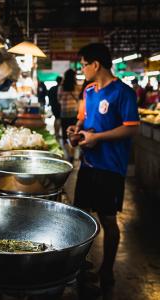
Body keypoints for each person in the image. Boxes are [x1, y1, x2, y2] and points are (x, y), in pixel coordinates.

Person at [67, 43, 139, 291]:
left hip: (111, 168)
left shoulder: (123, 93)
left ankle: (107, 269)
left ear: (95, 64)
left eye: (83, 65)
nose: (82, 70)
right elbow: (82, 119)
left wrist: (98, 138)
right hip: (88, 164)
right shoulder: (88, 91)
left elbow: (131, 127)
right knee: (82, 217)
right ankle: (81, 266)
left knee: (108, 220)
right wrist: (75, 133)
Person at [58, 69, 80, 161]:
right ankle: (73, 152)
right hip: (74, 114)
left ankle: (69, 154)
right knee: (74, 134)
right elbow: (79, 99)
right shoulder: (76, 87)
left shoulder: (61, 87)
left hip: (64, 114)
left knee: (65, 134)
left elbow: (59, 100)